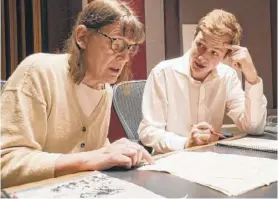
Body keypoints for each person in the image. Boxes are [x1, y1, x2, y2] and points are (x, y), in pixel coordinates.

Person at [1, 0, 154, 188]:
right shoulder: (38, 72)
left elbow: (91, 151)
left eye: (131, 47)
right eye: (117, 43)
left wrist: (114, 150)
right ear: (82, 37)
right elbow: (6, 163)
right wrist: (89, 158)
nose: (125, 57)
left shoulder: (104, 89)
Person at [138, 9, 267, 153]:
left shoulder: (227, 76)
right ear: (194, 38)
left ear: (225, 57)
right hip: (172, 159)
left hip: (210, 161)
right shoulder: (162, 73)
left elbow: (253, 128)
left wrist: (252, 76)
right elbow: (149, 132)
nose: (203, 57)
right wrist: (186, 143)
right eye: (200, 45)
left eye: (214, 52)